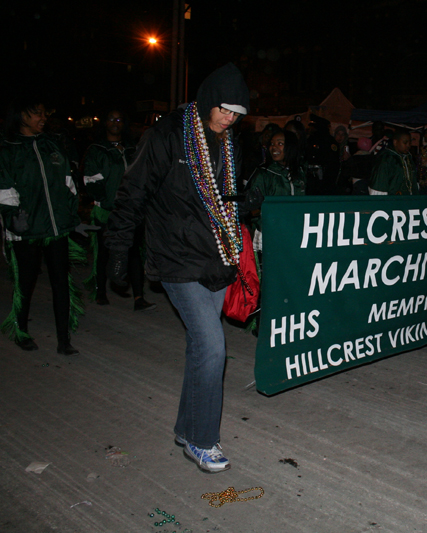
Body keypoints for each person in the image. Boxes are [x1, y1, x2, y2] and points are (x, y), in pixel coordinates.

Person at [104, 62, 260, 473]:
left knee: (201, 349)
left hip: (216, 257)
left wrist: (243, 203)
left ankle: (185, 427)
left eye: (238, 114)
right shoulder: (168, 133)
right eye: (225, 109)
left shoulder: (228, 141)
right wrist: (118, 247)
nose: (230, 119)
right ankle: (202, 440)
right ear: (209, 99)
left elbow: (222, 196)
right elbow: (134, 190)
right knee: (213, 347)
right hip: (176, 256)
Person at [0, 98, 82, 354]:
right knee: (25, 283)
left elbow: (68, 183)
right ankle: (21, 331)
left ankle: (63, 339)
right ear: (21, 116)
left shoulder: (52, 145)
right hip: (27, 230)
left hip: (57, 228)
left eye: (44, 113)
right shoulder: (8, 149)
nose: (43, 118)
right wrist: (14, 219)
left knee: (61, 282)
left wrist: (70, 213)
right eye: (37, 113)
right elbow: (4, 190)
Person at [82, 109, 155, 311]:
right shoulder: (97, 150)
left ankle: (139, 297)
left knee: (134, 253)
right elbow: (91, 182)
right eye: (111, 119)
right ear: (104, 123)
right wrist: (109, 202)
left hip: (132, 212)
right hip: (108, 212)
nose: (116, 123)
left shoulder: (132, 149)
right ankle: (101, 292)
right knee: (105, 252)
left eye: (120, 119)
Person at [368, 129, 418, 195]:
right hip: (392, 199)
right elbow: (378, 185)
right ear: (395, 142)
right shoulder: (386, 159)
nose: (408, 146)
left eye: (410, 143)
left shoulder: (408, 158)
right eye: (405, 143)